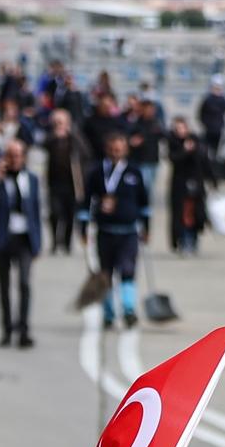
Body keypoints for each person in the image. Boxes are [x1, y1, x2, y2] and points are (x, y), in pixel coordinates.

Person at [78, 133, 150, 330]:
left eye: (119, 149)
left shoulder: (134, 172)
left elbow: (144, 201)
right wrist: (83, 227)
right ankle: (108, 312)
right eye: (112, 149)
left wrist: (146, 226)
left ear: (125, 150)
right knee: (106, 273)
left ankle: (128, 309)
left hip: (128, 232)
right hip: (105, 231)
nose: (115, 153)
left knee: (127, 271)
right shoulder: (96, 172)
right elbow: (86, 201)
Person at [0, 139, 43, 348]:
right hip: (3, 238)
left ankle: (24, 329)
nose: (14, 160)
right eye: (10, 156)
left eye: (18, 155)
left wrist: (38, 243)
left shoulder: (31, 179)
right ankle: (7, 329)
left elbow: (36, 211)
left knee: (24, 283)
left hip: (24, 238)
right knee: (4, 286)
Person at [44, 109, 91, 255]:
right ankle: (54, 241)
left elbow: (86, 153)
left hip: (72, 183)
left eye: (61, 122)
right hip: (55, 182)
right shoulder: (51, 138)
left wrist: (71, 134)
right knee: (55, 213)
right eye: (56, 123)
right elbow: (43, 146)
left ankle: (67, 242)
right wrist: (55, 136)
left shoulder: (74, 138)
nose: (59, 125)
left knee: (70, 214)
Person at [167, 117, 216, 256]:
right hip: (180, 186)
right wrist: (185, 150)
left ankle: (194, 241)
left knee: (197, 215)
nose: (180, 131)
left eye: (182, 128)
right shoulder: (174, 143)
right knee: (182, 215)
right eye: (177, 129)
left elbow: (206, 163)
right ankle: (184, 241)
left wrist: (213, 181)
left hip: (197, 185)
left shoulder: (198, 142)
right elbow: (173, 159)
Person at [128, 98, 164, 202]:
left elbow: (162, 136)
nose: (150, 111)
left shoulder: (156, 122)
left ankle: (146, 209)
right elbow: (130, 138)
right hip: (141, 160)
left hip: (153, 159)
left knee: (150, 188)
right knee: (145, 187)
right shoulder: (136, 123)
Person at [197, 76, 225, 162]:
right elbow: (201, 113)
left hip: (218, 129)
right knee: (206, 149)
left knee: (215, 151)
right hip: (209, 129)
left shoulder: (223, 100)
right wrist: (206, 124)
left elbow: (223, 113)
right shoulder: (207, 100)